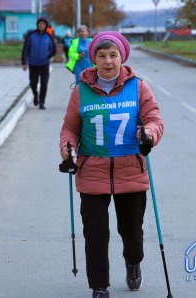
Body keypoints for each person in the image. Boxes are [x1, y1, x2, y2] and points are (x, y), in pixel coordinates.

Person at [59, 31, 164, 298]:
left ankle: (133, 262)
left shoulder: (138, 86)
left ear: (122, 57)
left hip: (131, 170)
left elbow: (154, 118)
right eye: (102, 56)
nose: (108, 61)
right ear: (94, 59)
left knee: (131, 231)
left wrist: (149, 134)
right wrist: (67, 150)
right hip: (92, 171)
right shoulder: (81, 91)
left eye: (113, 55)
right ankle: (99, 286)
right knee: (95, 235)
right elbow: (69, 129)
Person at [21, 17, 56, 110]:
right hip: (33, 64)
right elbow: (26, 49)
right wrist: (24, 62)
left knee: (44, 84)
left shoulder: (48, 36)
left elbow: (54, 50)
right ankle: (35, 94)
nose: (41, 25)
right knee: (33, 83)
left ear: (46, 26)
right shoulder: (31, 35)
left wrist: (47, 56)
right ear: (37, 25)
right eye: (40, 24)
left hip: (44, 65)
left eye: (43, 24)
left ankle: (41, 102)